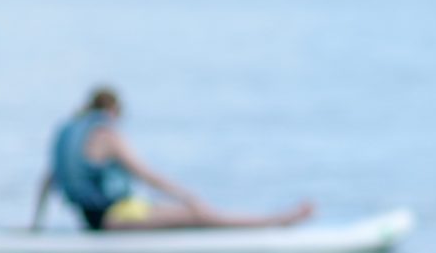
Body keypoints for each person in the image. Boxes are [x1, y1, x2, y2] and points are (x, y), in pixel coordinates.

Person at [32, 86, 313, 232]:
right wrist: (186, 196)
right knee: (198, 215)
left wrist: (37, 226)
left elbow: (47, 179)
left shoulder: (69, 131)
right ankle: (275, 222)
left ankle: (273, 220)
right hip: (115, 217)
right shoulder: (105, 133)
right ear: (113, 109)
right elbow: (146, 174)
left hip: (89, 219)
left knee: (182, 214)